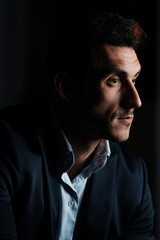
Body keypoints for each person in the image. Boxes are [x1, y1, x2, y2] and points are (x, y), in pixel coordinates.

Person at [0, 10, 155, 240]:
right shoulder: (6, 147)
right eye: (114, 80)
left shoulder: (133, 178)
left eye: (134, 80)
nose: (136, 100)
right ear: (66, 87)